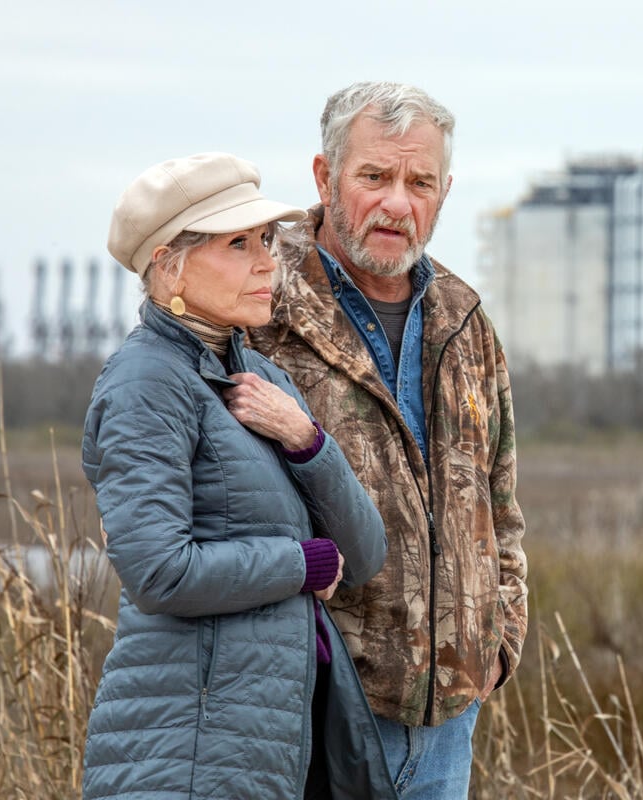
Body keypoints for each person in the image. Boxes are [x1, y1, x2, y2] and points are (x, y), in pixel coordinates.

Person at [83, 152, 398, 799]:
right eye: (238, 244)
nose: (266, 262)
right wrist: (299, 563)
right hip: (185, 751)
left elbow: (364, 555)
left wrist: (307, 440)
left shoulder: (262, 381)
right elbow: (159, 572)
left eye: (266, 241)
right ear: (170, 262)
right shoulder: (148, 382)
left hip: (264, 745)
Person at [250, 82, 528, 798]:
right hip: (311, 716)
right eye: (374, 176)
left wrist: (501, 639)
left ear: (444, 192)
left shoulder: (464, 319)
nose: (397, 203)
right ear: (324, 176)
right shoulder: (259, 307)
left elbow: (500, 502)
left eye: (420, 182)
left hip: (446, 722)